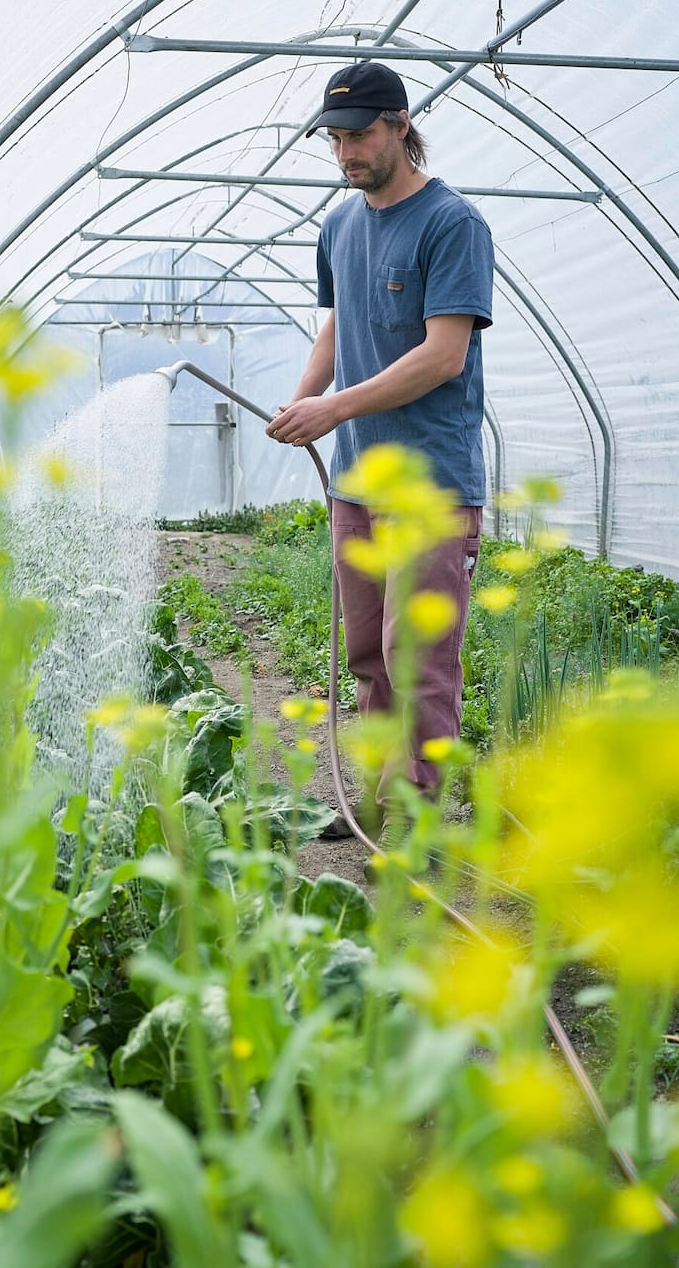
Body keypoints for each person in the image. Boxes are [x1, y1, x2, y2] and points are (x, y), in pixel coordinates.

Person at [266, 60, 493, 841]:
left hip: (431, 485)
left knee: (417, 658)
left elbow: (443, 355)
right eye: (334, 138)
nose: (345, 152)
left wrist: (336, 408)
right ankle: (376, 798)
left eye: (359, 134)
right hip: (357, 485)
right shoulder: (338, 225)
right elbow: (336, 325)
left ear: (402, 124)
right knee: (367, 652)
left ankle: (418, 821)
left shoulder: (451, 224)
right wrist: (305, 399)